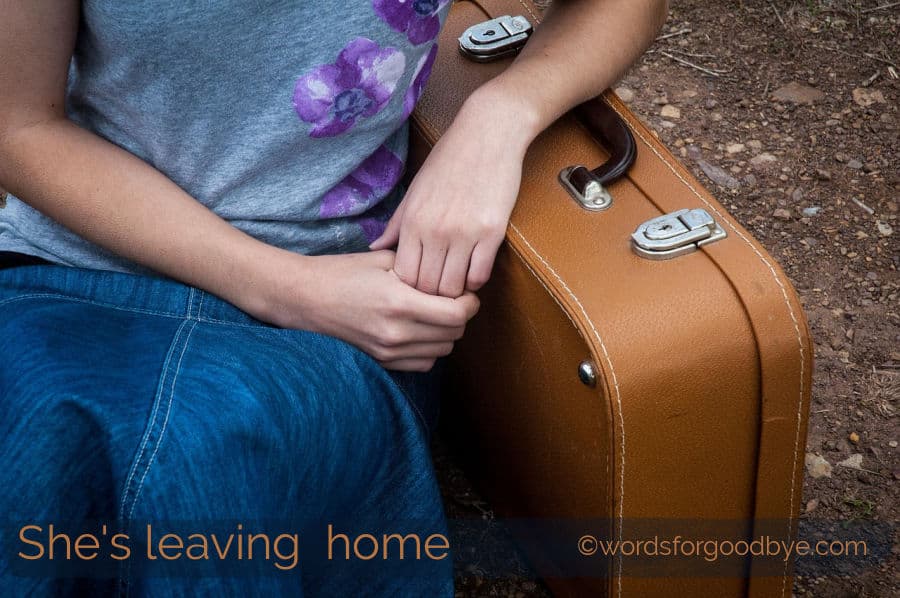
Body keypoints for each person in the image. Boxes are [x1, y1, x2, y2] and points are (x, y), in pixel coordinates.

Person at [0, 0, 667, 595]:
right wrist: (281, 287)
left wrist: (498, 116)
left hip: (340, 313)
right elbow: (19, 125)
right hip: (77, 275)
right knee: (55, 450)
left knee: (206, 460)